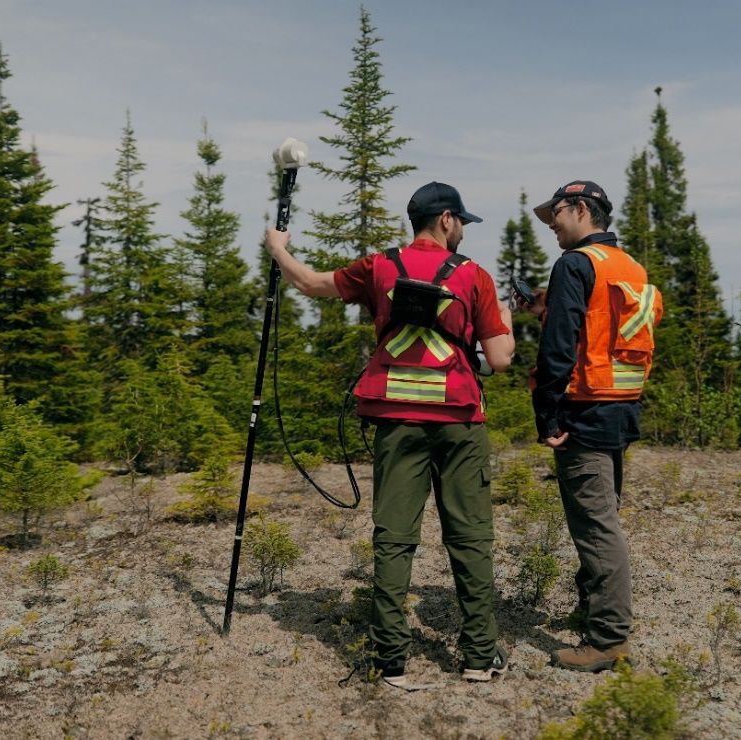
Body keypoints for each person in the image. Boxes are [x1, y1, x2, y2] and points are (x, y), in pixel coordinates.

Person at [263, 181, 514, 689]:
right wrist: (505, 318)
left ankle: (391, 658)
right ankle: (478, 656)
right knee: (469, 537)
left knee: (395, 538)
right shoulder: (473, 275)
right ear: (446, 220)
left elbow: (309, 283)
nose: (463, 231)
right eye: (462, 222)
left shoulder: (378, 267)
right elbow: (501, 359)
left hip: (396, 422)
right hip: (459, 421)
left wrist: (277, 249)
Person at [528, 180, 662, 672]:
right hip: (621, 410)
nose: (551, 224)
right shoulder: (629, 267)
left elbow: (560, 345)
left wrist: (548, 414)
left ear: (581, 209)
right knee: (603, 516)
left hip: (583, 413)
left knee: (596, 527)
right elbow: (603, 332)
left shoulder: (574, 264)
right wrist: (547, 304)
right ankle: (592, 610)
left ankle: (607, 639)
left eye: (556, 213)